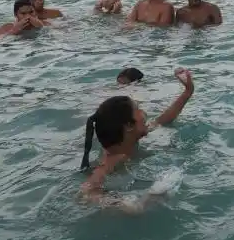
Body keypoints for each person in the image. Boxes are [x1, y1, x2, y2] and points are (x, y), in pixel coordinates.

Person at [79, 68, 196, 210]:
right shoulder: (113, 160)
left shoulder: (133, 138)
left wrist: (188, 91)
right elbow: (86, 192)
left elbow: (162, 120)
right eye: (138, 110)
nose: (144, 112)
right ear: (129, 126)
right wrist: (130, 205)